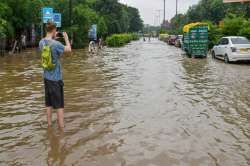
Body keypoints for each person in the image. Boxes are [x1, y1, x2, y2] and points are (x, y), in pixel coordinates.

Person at [39, 22, 71, 129]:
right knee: (59, 105)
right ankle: (62, 130)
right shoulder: (56, 44)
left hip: (46, 78)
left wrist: (53, 36)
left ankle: (49, 126)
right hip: (56, 80)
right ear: (54, 30)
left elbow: (49, 45)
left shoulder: (41, 42)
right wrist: (66, 38)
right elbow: (68, 49)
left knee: (48, 103)